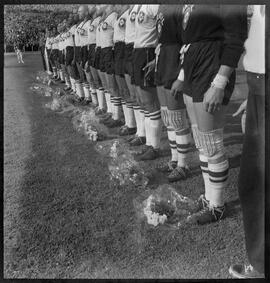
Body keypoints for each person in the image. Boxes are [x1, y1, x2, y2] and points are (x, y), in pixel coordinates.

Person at [170, 5, 247, 224]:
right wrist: (183, 76)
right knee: (202, 141)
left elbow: (236, 38)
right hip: (194, 64)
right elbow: (189, 41)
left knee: (211, 142)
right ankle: (209, 198)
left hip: (213, 64)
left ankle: (218, 206)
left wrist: (220, 83)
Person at [229, 5, 265, 278]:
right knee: (253, 182)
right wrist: (253, 96)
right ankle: (260, 261)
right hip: (259, 87)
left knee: (255, 182)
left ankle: (261, 263)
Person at [154, 4, 192, 182]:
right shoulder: (162, 5)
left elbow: (187, 40)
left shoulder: (180, 5)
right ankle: (174, 160)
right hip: (163, 58)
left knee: (177, 117)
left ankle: (183, 165)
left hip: (174, 58)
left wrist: (182, 74)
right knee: (167, 116)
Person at [130, 4, 162, 162]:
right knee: (142, 101)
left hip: (148, 52)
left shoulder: (154, 6)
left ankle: (155, 147)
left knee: (150, 103)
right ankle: (148, 143)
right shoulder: (137, 6)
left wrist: (157, 58)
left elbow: (164, 30)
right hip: (137, 52)